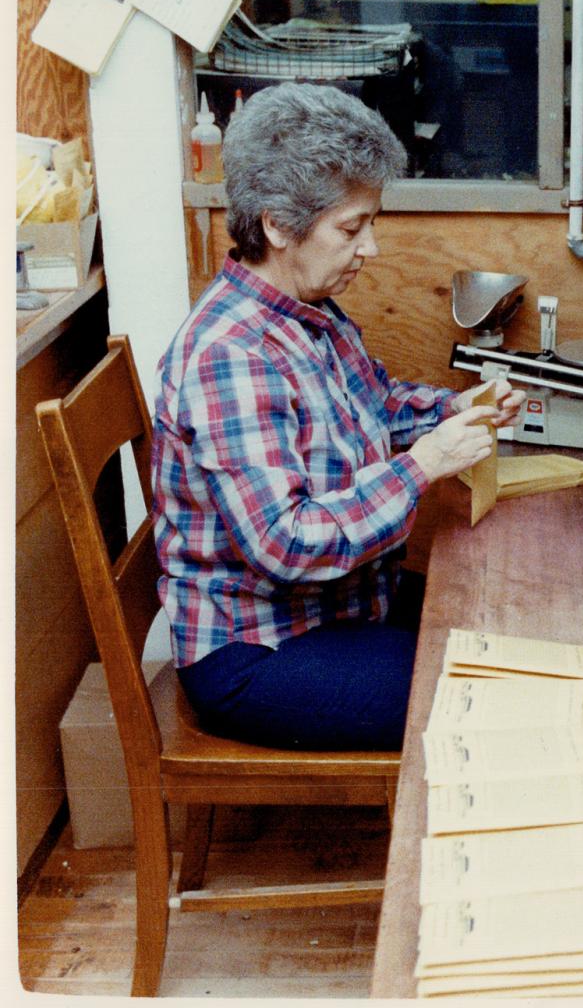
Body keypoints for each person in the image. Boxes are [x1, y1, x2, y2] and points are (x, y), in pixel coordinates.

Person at [152, 82, 523, 751]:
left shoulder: (310, 312)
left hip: (341, 608)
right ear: (276, 225)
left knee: (511, 623)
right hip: (259, 651)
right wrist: (423, 465)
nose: (370, 249)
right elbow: (284, 543)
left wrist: (458, 407)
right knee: (493, 695)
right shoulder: (231, 355)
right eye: (351, 229)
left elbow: (375, 405)